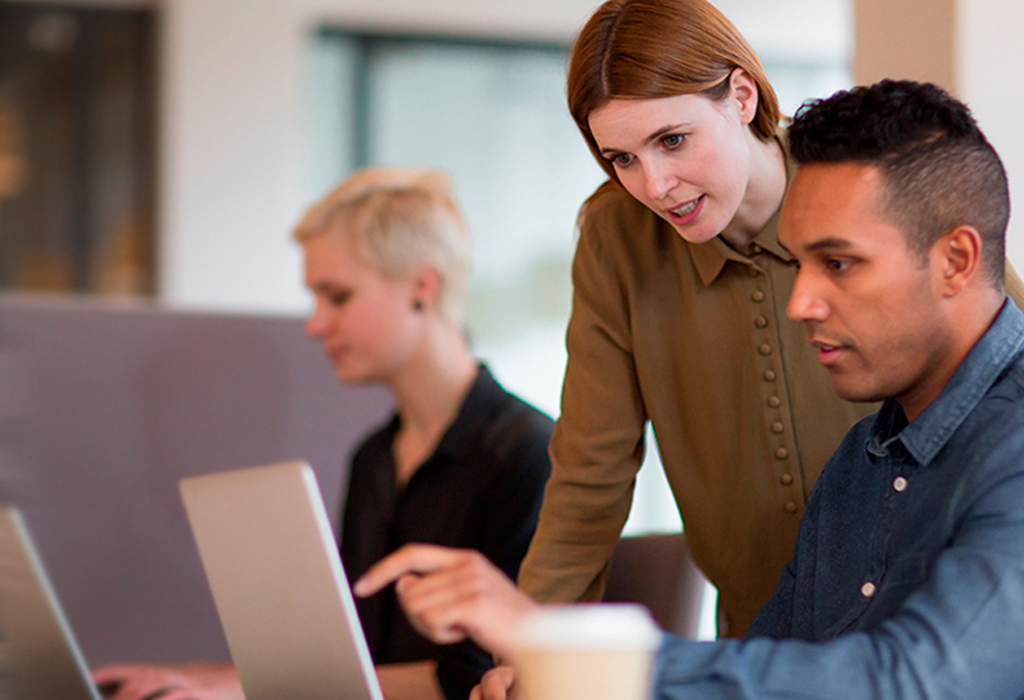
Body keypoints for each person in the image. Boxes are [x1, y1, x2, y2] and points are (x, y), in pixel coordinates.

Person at [356, 79, 1024, 700]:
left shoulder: (1010, 447)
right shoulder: (858, 464)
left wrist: (568, 647)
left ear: (956, 261)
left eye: (839, 263)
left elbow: (914, 680)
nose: (802, 303)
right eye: (798, 265)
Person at [516, 0, 1024, 642]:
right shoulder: (619, 240)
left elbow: (1004, 346)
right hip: (758, 639)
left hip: (928, 635)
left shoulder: (857, 182)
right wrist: (528, 646)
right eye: (621, 158)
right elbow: (590, 474)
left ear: (742, 94)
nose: (656, 185)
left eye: (672, 140)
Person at [92, 168, 554, 700]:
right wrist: (204, 679)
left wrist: (237, 690)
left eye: (337, 297)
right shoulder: (375, 458)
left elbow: (474, 676)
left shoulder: (527, 453)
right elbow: (350, 664)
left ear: (422, 287)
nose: (315, 324)